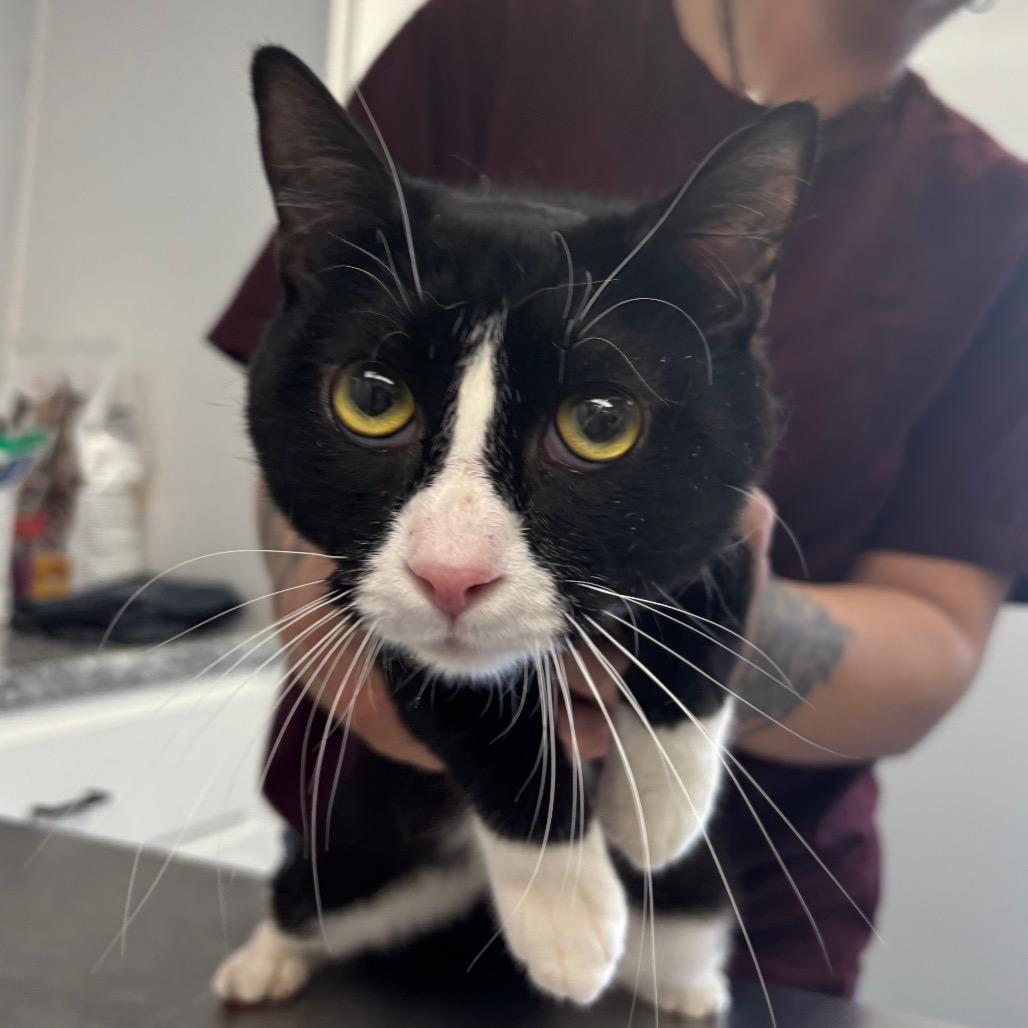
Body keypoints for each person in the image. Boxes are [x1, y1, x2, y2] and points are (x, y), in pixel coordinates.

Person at [209, 0, 1028, 998]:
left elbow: (938, 635)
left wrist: (695, 642)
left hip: (735, 902)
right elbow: (299, 420)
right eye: (375, 401)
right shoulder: (493, 31)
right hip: (372, 848)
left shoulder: (994, 217)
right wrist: (350, 627)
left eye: (593, 427)